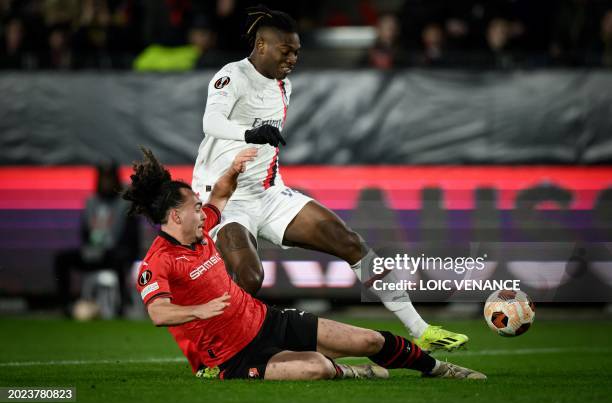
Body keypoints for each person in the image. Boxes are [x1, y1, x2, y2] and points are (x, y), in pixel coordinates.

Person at [192, 4, 468, 352]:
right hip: (223, 197)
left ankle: (421, 330)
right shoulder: (232, 76)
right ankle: (212, 347)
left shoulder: (284, 86)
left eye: (296, 52)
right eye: (285, 50)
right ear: (261, 45)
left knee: (350, 241)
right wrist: (251, 133)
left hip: (268, 194)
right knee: (250, 277)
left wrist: (261, 146)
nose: (292, 58)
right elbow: (210, 123)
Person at [123, 147, 486, 381]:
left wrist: (234, 169)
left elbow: (219, 195)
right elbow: (159, 314)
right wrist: (202, 309)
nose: (203, 213)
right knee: (317, 368)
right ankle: (350, 373)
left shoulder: (203, 231)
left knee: (371, 339)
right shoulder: (158, 263)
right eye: (194, 209)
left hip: (268, 321)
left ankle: (438, 368)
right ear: (175, 216)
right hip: (229, 359)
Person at [54, 162, 139, 316]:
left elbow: (131, 237)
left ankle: (121, 307)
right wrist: (91, 249)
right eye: (103, 179)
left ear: (115, 180)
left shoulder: (125, 204)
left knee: (119, 260)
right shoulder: (91, 202)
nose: (106, 183)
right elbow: (85, 233)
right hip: (93, 251)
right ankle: (65, 305)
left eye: (109, 179)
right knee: (62, 259)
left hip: (114, 253)